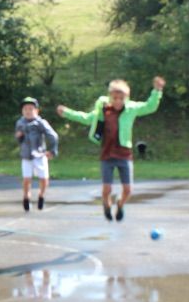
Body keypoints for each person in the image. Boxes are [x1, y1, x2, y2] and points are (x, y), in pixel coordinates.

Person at [57, 76, 165, 222]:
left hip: (124, 154)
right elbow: (86, 118)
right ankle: (106, 204)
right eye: (115, 98)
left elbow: (150, 106)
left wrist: (157, 91)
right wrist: (67, 112)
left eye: (121, 98)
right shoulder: (103, 111)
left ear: (126, 98)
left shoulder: (131, 109)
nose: (118, 101)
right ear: (110, 97)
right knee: (106, 189)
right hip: (107, 155)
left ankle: (120, 204)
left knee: (128, 190)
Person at [16, 96, 59, 212]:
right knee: (26, 179)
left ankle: (41, 196)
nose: (28, 111)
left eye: (31, 109)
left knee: (44, 178)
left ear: (36, 111)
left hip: (39, 155)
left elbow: (53, 136)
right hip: (26, 155)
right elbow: (19, 140)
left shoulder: (41, 123)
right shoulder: (20, 123)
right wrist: (19, 137)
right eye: (25, 109)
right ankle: (26, 197)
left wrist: (52, 150)